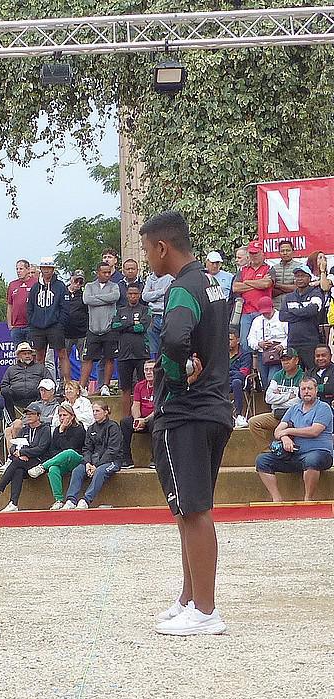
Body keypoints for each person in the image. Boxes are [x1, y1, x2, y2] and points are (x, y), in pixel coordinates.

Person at [140, 210, 232, 637]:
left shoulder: (181, 288)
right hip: (215, 406)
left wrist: (175, 373)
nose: (146, 259)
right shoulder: (211, 282)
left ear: (163, 247)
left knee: (193, 511)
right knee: (189, 508)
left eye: (146, 250)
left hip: (186, 412)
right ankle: (189, 599)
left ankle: (207, 611)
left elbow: (175, 338)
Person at [255, 377, 333, 502]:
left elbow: (314, 431)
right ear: (299, 391)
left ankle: (308, 499)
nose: (306, 391)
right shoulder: (293, 409)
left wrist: (288, 431)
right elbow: (278, 431)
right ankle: (277, 499)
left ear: (316, 390)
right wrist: (285, 437)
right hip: (295, 455)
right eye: (303, 389)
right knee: (262, 460)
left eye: (309, 388)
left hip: (320, 454)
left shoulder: (324, 408)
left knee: (312, 459)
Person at [0, 402, 52, 510]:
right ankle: (13, 503)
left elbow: (41, 448)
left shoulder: (45, 429)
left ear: (38, 415)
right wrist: (18, 453)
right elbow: (13, 446)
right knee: (18, 470)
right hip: (23, 462)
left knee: (17, 462)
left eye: (32, 414)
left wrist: (23, 453)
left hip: (39, 462)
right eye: (27, 414)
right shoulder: (24, 430)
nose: (28, 416)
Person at [60, 401, 122, 510]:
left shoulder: (113, 427)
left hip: (112, 461)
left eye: (97, 411)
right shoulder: (91, 428)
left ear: (106, 412)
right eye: (93, 411)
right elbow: (87, 449)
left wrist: (96, 465)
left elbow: (112, 450)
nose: (95, 413)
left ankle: (86, 500)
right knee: (77, 470)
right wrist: (88, 463)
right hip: (93, 461)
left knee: (100, 471)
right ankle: (71, 500)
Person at [27, 401, 87, 509]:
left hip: (77, 459)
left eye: (65, 415)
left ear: (72, 416)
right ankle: (58, 500)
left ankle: (42, 467)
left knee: (69, 452)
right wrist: (60, 431)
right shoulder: (56, 430)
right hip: (62, 461)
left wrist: (62, 431)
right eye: (60, 415)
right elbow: (53, 450)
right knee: (53, 469)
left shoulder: (79, 428)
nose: (62, 418)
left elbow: (71, 447)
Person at [249, 348, 305, 452]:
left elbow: (297, 401)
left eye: (288, 359)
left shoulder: (303, 376)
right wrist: (288, 396)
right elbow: (268, 398)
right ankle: (268, 451)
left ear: (296, 360)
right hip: (276, 415)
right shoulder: (278, 375)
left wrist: (278, 398)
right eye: (283, 360)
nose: (285, 362)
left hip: (295, 417)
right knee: (253, 422)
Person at [27, 256, 69, 384]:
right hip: (38, 327)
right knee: (39, 356)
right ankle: (42, 384)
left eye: (49, 268)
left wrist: (60, 323)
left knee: (62, 354)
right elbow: (30, 308)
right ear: (41, 269)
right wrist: (33, 322)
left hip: (55, 326)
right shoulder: (35, 287)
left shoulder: (60, 286)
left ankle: (68, 383)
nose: (47, 271)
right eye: (44, 268)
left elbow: (65, 307)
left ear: (53, 269)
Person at [81, 263, 120, 395]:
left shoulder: (114, 286)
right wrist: (105, 299)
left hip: (109, 329)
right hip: (93, 329)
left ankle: (105, 386)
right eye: (104, 272)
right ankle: (82, 387)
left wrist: (96, 298)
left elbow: (114, 297)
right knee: (88, 359)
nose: (107, 275)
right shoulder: (89, 286)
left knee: (109, 358)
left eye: (109, 272)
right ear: (98, 272)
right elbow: (87, 300)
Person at [112, 284, 151, 414]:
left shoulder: (145, 310)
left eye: (135, 294)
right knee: (125, 389)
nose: (133, 296)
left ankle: (142, 414)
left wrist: (125, 326)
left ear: (139, 295)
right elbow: (114, 326)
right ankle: (126, 417)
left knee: (143, 385)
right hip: (124, 354)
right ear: (127, 295)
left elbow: (142, 327)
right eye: (130, 294)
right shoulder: (120, 310)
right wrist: (131, 323)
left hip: (141, 353)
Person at [232, 241, 274, 355]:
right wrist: (258, 283)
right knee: (245, 343)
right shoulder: (243, 270)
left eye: (256, 253)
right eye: (251, 253)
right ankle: (248, 370)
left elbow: (266, 284)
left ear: (262, 253)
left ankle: (259, 370)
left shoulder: (269, 268)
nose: (254, 256)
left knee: (263, 343)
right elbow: (235, 287)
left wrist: (246, 282)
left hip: (263, 312)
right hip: (246, 312)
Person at [280, 265, 324, 372]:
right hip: (292, 342)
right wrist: (304, 314)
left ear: (309, 278)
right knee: (293, 372)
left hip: (310, 342)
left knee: (313, 372)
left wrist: (293, 312)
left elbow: (312, 310)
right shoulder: (289, 297)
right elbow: (282, 316)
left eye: (302, 276)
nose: (299, 279)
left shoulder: (316, 293)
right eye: (297, 276)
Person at [2, 377, 59, 453]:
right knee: (9, 429)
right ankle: (12, 455)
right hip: (28, 428)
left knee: (17, 424)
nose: (43, 392)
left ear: (52, 391)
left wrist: (35, 418)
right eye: (41, 390)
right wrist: (32, 419)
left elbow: (52, 420)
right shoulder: (34, 404)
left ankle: (17, 453)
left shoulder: (56, 406)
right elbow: (25, 418)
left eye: (46, 390)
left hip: (43, 430)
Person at [119, 359, 156, 469]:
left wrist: (145, 420)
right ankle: (126, 460)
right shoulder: (139, 386)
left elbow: (158, 408)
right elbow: (136, 405)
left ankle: (155, 460)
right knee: (125, 423)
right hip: (141, 419)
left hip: (154, 418)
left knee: (155, 422)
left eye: (151, 369)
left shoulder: (161, 385)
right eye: (146, 370)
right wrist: (137, 419)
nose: (148, 372)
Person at [0, 342, 46, 419]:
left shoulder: (40, 368)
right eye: (24, 354)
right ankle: (12, 420)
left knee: (45, 388)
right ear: (18, 356)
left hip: (36, 397)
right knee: (4, 391)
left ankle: (39, 418)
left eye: (29, 354)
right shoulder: (11, 369)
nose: (27, 356)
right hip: (15, 398)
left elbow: (49, 382)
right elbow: (3, 385)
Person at [247, 297, 288, 387]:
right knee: (265, 381)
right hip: (263, 355)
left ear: (273, 307)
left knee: (272, 380)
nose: (266, 314)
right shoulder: (257, 321)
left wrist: (282, 345)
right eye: (263, 313)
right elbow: (250, 339)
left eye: (267, 312)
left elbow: (291, 336)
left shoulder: (283, 318)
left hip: (278, 354)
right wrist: (259, 344)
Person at [141, 268, 173, 360]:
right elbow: (145, 296)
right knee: (154, 349)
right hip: (153, 316)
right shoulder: (150, 278)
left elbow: (169, 295)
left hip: (166, 315)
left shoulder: (170, 277)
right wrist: (161, 292)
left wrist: (153, 294)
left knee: (167, 347)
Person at [6, 259, 36, 346]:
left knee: (32, 352)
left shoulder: (36, 283)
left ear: (28, 269)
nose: (18, 271)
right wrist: (9, 324)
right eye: (17, 269)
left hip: (31, 325)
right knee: (19, 353)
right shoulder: (12, 285)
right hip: (16, 327)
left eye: (21, 269)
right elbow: (10, 305)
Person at [61, 270, 88, 363]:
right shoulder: (62, 292)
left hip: (81, 333)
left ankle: (84, 378)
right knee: (63, 359)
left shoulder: (84, 294)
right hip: (65, 333)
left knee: (84, 359)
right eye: (76, 281)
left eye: (80, 282)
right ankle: (63, 378)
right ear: (71, 279)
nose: (78, 284)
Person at [228, 330, 252, 429]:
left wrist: (229, 373)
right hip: (225, 381)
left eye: (230, 339)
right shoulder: (221, 354)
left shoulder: (245, 354)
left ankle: (238, 415)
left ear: (238, 340)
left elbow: (244, 373)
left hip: (242, 382)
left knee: (236, 382)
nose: (227, 342)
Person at [269, 239, 300, 308]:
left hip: (293, 305)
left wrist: (278, 285)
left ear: (293, 252)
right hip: (276, 307)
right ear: (279, 252)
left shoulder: (299, 267)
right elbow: (270, 290)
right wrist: (287, 288)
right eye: (282, 251)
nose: (285, 253)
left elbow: (297, 288)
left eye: (288, 250)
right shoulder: (273, 268)